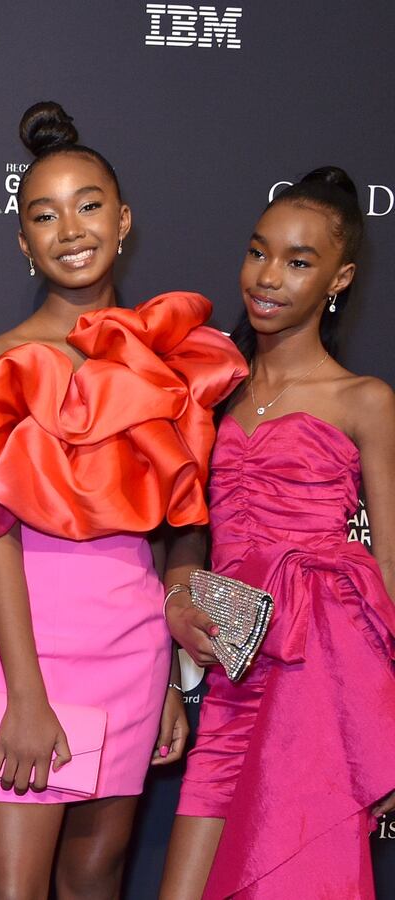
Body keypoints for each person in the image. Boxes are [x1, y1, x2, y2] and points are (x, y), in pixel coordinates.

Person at [0, 101, 245, 898]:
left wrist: (169, 682)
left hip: (132, 647)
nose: (71, 228)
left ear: (123, 220)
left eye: (88, 206)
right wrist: (23, 693)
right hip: (27, 651)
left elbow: (182, 527)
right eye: (44, 215)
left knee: (94, 880)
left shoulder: (172, 358)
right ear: (22, 241)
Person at [159, 167, 395, 899]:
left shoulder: (364, 400)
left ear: (339, 277)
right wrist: (176, 596)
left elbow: (390, 564)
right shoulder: (211, 394)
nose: (269, 277)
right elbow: (187, 533)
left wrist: (382, 730)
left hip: (319, 678)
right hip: (233, 672)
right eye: (259, 252)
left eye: (299, 262)